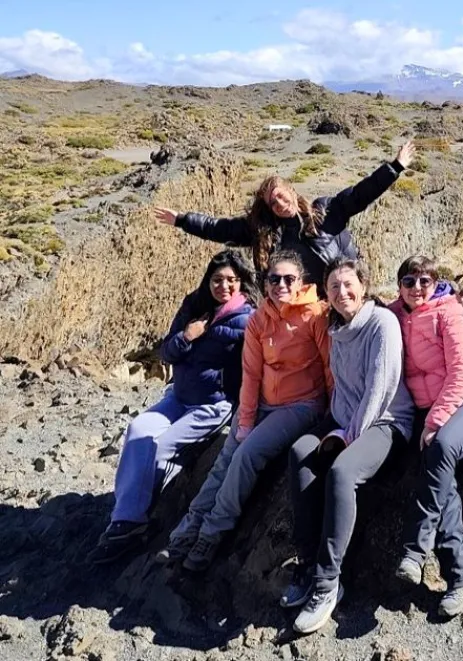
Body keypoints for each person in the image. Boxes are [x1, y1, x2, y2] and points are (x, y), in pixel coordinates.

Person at [156, 251, 333, 572]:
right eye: (274, 278)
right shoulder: (258, 320)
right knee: (227, 456)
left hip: (301, 404)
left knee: (246, 455)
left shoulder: (316, 316)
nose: (281, 284)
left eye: (288, 279)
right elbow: (251, 374)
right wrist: (246, 419)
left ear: (301, 282)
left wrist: (332, 419)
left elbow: (329, 368)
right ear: (265, 283)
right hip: (262, 400)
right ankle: (188, 528)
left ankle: (211, 533)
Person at [87, 250, 259, 564]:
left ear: (241, 283)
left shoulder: (249, 319)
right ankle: (124, 519)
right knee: (138, 430)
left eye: (231, 280)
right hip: (177, 398)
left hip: (214, 404)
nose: (224, 286)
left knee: (163, 445)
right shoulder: (194, 307)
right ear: (208, 280)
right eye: (217, 279)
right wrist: (186, 336)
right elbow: (166, 353)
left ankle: (136, 518)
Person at [285, 257, 415, 635]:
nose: (342, 293)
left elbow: (380, 389)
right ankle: (308, 561)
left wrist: (346, 436)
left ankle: (327, 584)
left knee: (341, 473)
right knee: (299, 453)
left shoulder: (381, 323)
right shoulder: (336, 328)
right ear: (325, 295)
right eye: (333, 287)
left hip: (386, 422)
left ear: (363, 284)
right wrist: (332, 426)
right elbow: (341, 386)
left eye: (348, 284)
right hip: (344, 418)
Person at [386, 256, 463, 617]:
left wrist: (435, 422)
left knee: (443, 445)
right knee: (440, 475)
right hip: (427, 409)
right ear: (398, 286)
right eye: (408, 281)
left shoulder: (450, 314)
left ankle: (415, 550)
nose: (416, 288)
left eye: (424, 281)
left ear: (436, 284)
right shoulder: (395, 316)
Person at [152, 141, 417, 285]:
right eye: (272, 202)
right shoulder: (267, 233)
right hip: (306, 306)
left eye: (280, 195)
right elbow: (218, 228)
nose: (278, 203)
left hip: (346, 288)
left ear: (291, 190)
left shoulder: (326, 210)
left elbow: (362, 193)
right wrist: (181, 219)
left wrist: (395, 167)